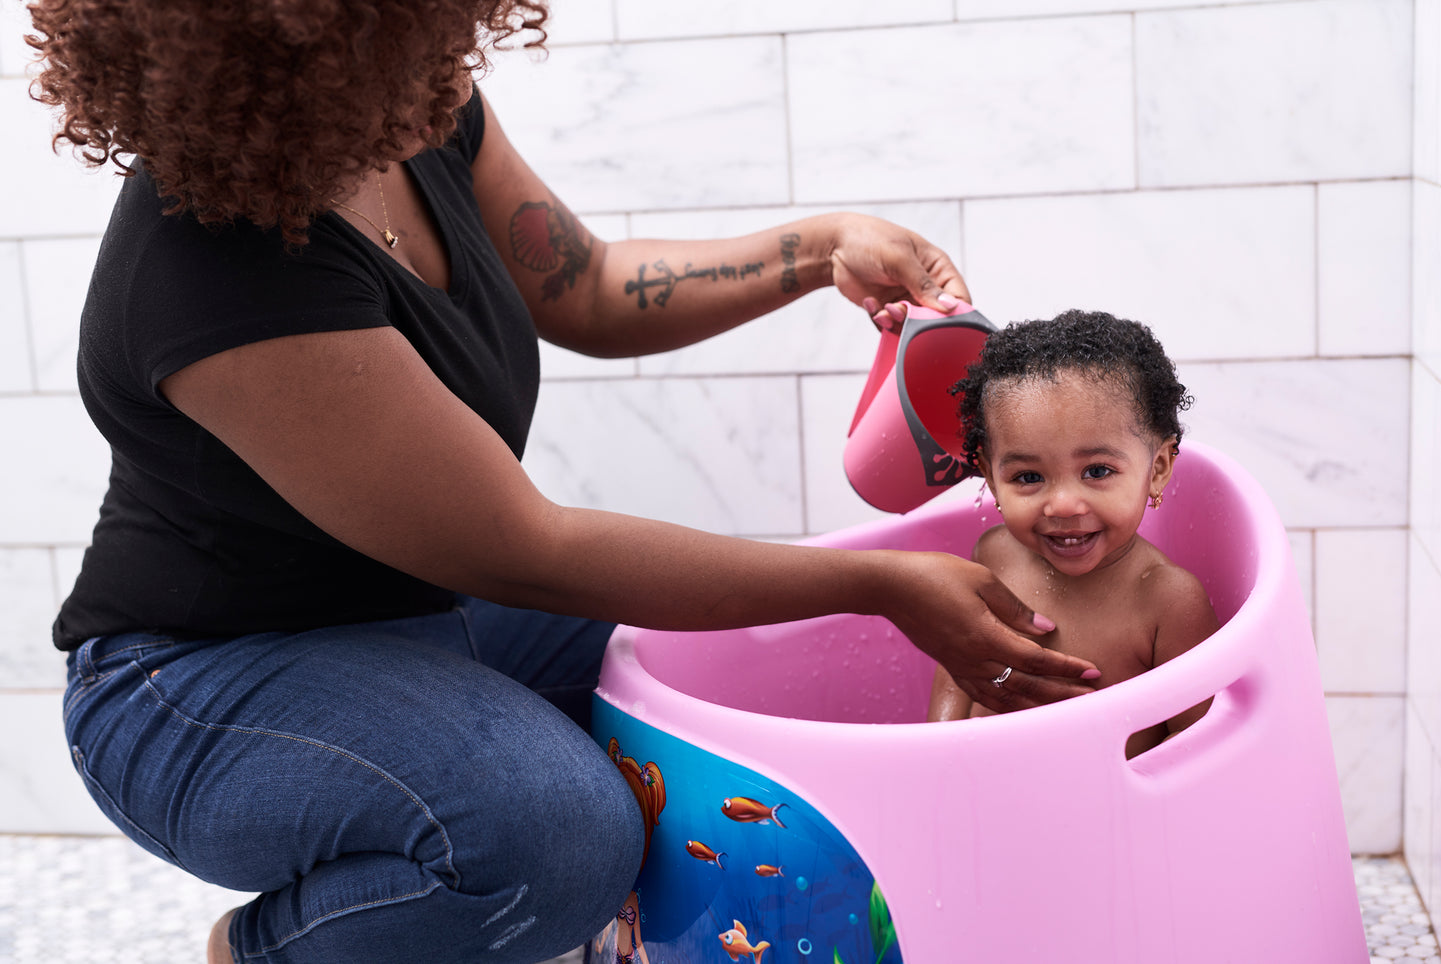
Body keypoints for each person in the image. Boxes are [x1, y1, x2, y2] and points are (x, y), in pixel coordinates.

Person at [27, 2, 1103, 962]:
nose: (452, 60)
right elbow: (531, 547)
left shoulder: (406, 98)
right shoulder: (214, 270)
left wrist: (820, 247)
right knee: (556, 836)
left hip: (402, 608)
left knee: (688, 673)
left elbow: (584, 286)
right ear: (302, 47)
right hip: (200, 685)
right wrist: (881, 585)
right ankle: (264, 953)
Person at [927, 310, 1220, 757]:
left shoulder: (1167, 600)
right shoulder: (994, 558)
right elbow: (959, 666)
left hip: (1107, 818)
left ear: (1157, 469)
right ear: (990, 477)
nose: (1063, 505)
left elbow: (1198, 742)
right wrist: (934, 750)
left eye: (1097, 471)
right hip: (983, 801)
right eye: (1027, 477)